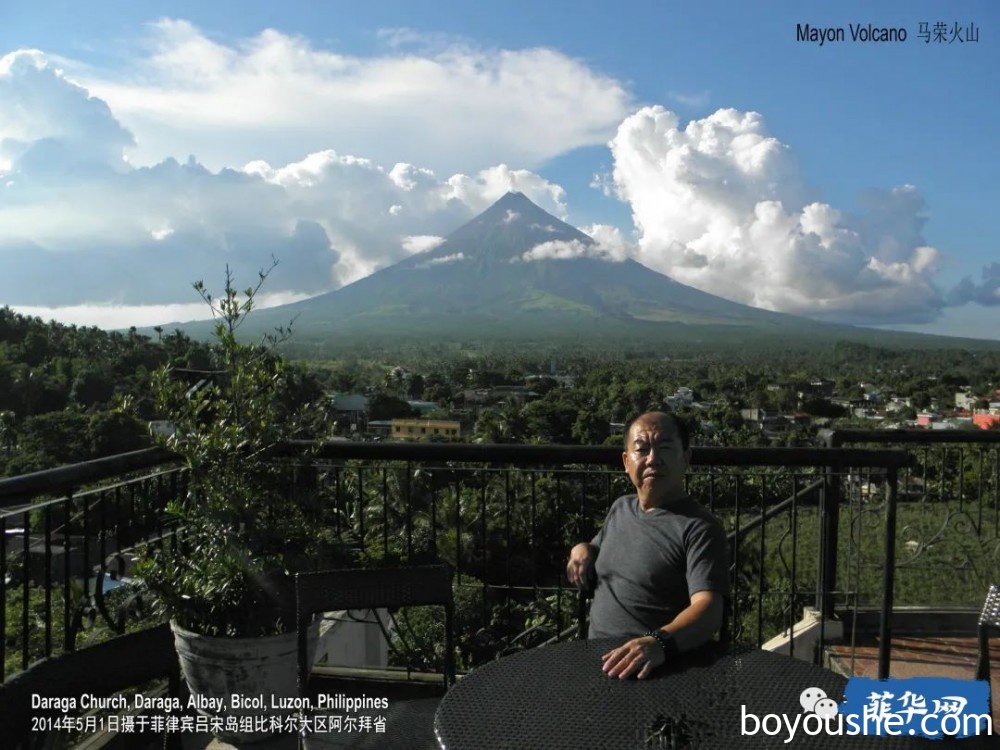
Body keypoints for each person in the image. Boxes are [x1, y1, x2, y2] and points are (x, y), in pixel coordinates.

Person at [566, 411, 729, 680]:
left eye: (665, 448)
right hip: (596, 661)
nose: (653, 459)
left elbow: (709, 610)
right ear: (626, 462)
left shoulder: (699, 527)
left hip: (651, 670)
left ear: (686, 458)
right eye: (642, 449)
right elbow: (600, 546)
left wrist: (658, 643)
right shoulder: (621, 508)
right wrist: (582, 549)